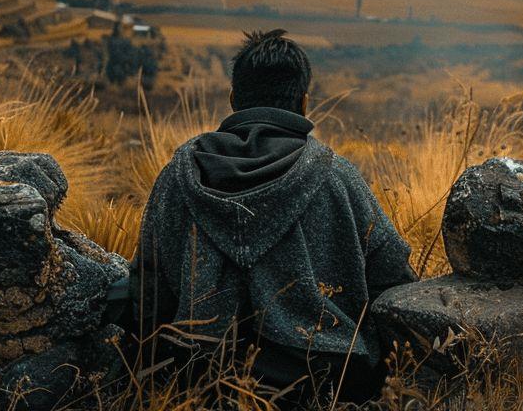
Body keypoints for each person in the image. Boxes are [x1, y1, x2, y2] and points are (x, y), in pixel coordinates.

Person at [123, 29, 415, 404]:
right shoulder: (338, 178)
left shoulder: (179, 179)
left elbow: (147, 292)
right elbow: (395, 283)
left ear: (233, 100)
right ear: (305, 103)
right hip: (325, 385)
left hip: (201, 385)